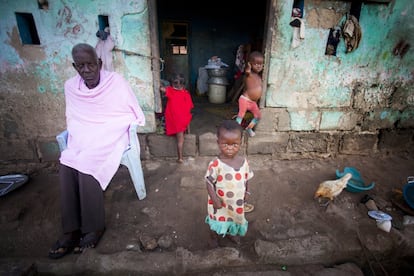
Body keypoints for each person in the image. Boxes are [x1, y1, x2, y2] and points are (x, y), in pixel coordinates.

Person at [48, 43, 145, 259]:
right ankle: (70, 229)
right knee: (67, 160)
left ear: (99, 64)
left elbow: (129, 111)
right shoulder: (71, 87)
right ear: (75, 67)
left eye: (90, 65)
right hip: (84, 133)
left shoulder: (115, 82)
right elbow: (74, 117)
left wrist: (103, 129)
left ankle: (93, 227)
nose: (86, 71)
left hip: (111, 132)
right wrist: (83, 134)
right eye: (80, 66)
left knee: (88, 161)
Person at [205, 120, 254, 248]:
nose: (230, 148)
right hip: (219, 202)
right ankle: (213, 237)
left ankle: (230, 233)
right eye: (225, 144)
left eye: (235, 144)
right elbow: (209, 181)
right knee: (217, 220)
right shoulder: (216, 164)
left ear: (241, 143)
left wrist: (247, 191)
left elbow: (247, 177)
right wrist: (215, 199)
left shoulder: (243, 162)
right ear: (218, 143)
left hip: (236, 203)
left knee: (232, 219)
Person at [160, 73, 194, 163]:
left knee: (179, 138)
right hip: (183, 120)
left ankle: (180, 158)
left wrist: (160, 84)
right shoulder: (186, 94)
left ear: (172, 84)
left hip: (173, 119)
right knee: (180, 139)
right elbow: (190, 107)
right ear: (183, 85)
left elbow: (161, 89)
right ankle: (180, 157)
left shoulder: (170, 91)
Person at [235, 51, 264, 137]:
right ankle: (235, 130)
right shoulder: (249, 74)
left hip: (252, 102)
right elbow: (247, 71)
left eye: (261, 64)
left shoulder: (259, 76)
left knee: (258, 116)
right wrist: (249, 67)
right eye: (256, 64)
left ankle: (249, 128)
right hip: (245, 100)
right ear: (250, 64)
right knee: (241, 115)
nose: (259, 66)